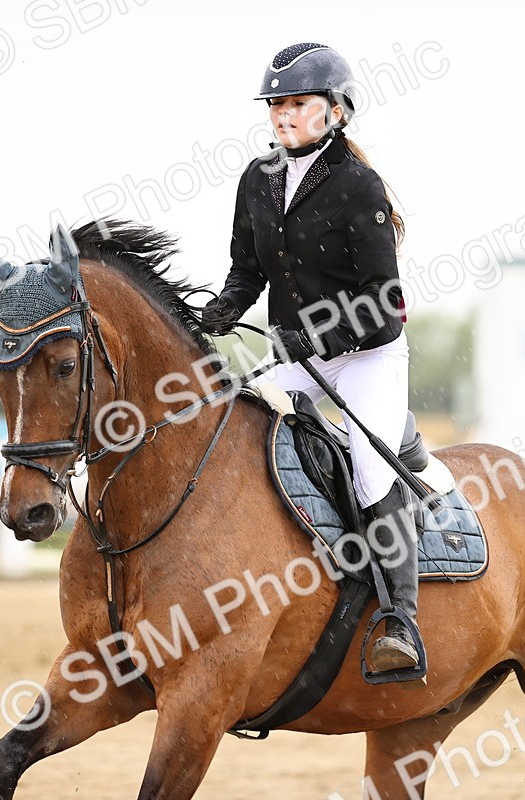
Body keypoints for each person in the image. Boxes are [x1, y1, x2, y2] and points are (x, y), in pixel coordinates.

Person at [201, 43, 422, 676]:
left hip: (369, 356)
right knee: (236, 421)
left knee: (370, 472)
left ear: (337, 111)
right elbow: (246, 274)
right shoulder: (257, 179)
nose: (283, 116)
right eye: (276, 105)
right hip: (300, 355)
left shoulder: (359, 186)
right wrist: (216, 312)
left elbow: (386, 307)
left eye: (297, 104)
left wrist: (313, 338)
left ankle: (401, 620)